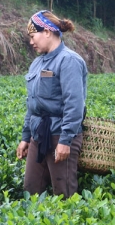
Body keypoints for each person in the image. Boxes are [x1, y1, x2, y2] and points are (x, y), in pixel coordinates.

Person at [16, 10, 88, 198]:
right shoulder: (37, 64)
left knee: (64, 193)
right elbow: (32, 104)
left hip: (60, 136)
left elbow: (74, 105)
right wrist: (26, 136)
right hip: (38, 135)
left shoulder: (69, 61)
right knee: (31, 190)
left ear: (47, 32)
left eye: (33, 36)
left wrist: (65, 141)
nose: (31, 42)